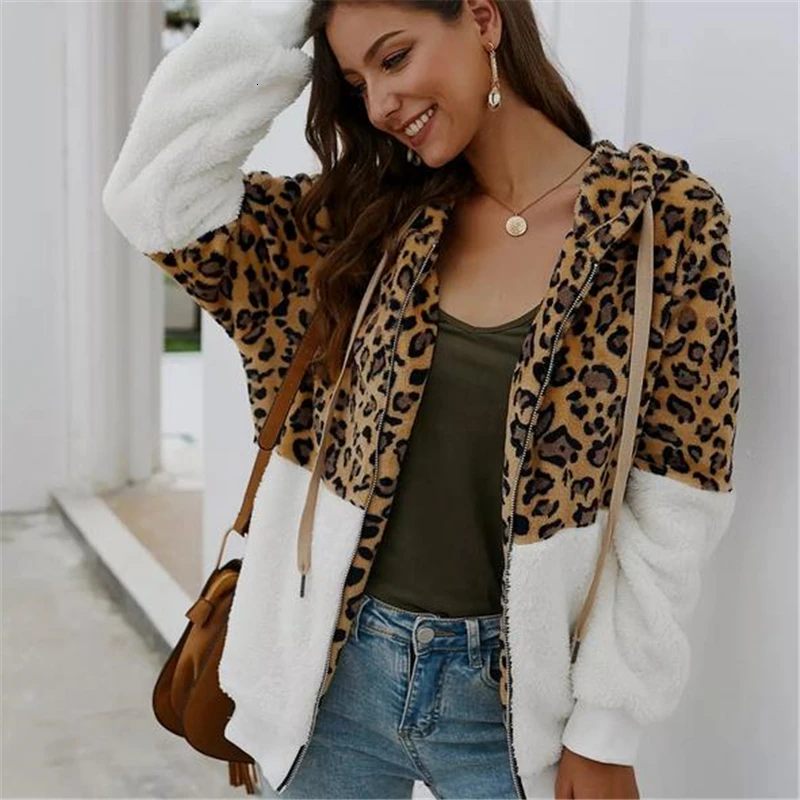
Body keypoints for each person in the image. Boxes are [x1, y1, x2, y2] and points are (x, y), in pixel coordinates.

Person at [102, 1, 740, 798]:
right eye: (357, 82)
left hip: (517, 711)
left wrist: (607, 729)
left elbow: (677, 498)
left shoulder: (659, 224)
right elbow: (151, 197)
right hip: (332, 683)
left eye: (394, 57)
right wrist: (284, 12)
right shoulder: (360, 228)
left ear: (483, 19)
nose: (378, 105)